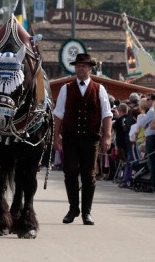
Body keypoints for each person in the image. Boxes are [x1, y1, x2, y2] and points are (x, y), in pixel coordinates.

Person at [52, 53, 112, 225]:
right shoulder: (66, 88)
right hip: (70, 136)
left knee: (89, 174)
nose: (80, 68)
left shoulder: (99, 89)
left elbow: (107, 114)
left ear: (90, 68)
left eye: (84, 66)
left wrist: (107, 136)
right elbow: (58, 114)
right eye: (78, 66)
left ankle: (86, 212)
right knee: (70, 171)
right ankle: (73, 208)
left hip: (91, 137)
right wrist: (56, 136)